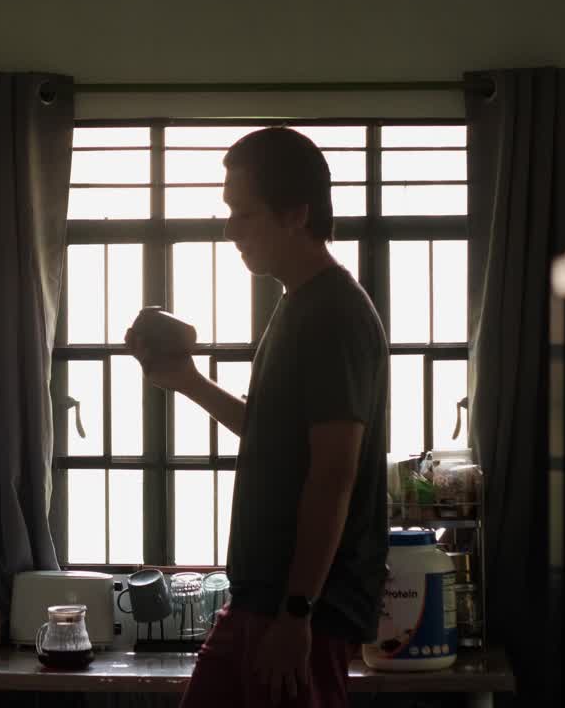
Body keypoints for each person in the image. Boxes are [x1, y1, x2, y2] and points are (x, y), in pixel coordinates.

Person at [125, 127, 390, 708]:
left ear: (296, 215)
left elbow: (333, 475)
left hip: (299, 606)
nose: (230, 230)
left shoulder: (334, 314)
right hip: (260, 598)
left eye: (244, 214)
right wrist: (188, 381)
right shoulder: (297, 305)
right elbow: (275, 437)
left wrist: (297, 613)